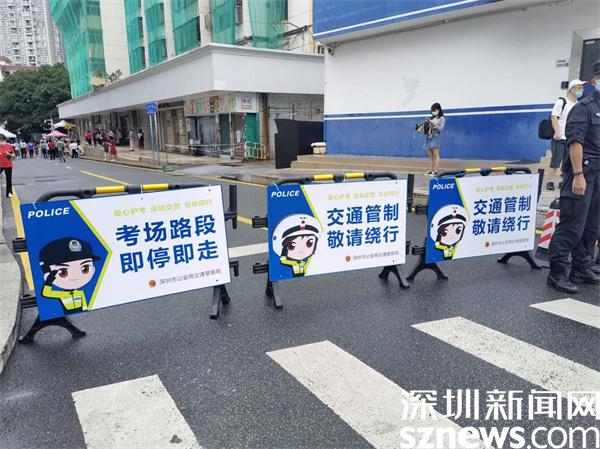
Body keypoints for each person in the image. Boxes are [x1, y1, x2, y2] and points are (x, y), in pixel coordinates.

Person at [547, 61, 600, 294]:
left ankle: (581, 267)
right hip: (582, 173)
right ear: (595, 80)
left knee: (592, 226)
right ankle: (557, 272)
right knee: (573, 225)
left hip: (598, 176)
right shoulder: (583, 108)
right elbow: (575, 142)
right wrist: (578, 175)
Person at [39, 237, 101, 314]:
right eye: (63, 272)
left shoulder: (80, 292)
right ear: (47, 276)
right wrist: (49, 281)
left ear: (93, 270)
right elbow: (46, 293)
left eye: (85, 269)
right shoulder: (61, 294)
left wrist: (85, 310)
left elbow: (84, 303)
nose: (75, 276)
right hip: (68, 312)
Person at [547, 79, 585, 190]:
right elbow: (554, 117)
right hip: (559, 138)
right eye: (579, 87)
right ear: (572, 89)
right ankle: (550, 181)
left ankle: (563, 181)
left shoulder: (579, 105)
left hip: (571, 138)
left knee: (567, 163)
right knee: (555, 161)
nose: (581, 90)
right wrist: (557, 132)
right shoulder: (562, 102)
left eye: (582, 88)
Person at [424, 103, 445, 176]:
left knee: (436, 155)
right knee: (430, 155)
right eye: (432, 110)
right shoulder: (432, 118)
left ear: (438, 110)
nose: (433, 112)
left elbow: (440, 129)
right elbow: (428, 128)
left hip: (435, 137)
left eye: (434, 110)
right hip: (429, 137)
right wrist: (426, 123)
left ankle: (435, 170)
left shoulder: (442, 118)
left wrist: (432, 123)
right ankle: (430, 170)